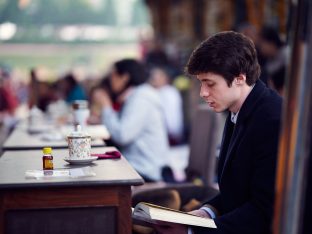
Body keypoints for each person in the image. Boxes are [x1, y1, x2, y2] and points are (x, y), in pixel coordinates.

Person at [154, 31, 282, 233]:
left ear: (240, 78)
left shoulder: (271, 120)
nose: (203, 93)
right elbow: (237, 192)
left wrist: (192, 231)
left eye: (210, 83)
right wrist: (206, 212)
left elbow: (265, 211)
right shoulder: (240, 109)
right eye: (201, 83)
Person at [92, 59, 170, 182]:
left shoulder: (141, 98)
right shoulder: (138, 95)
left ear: (124, 77)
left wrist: (106, 106)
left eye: (113, 75)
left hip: (144, 170)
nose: (110, 80)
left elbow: (122, 136)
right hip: (136, 165)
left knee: (94, 173)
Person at [149, 67, 184, 145]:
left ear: (165, 78)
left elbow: (170, 115)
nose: (154, 81)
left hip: (170, 133)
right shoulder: (158, 92)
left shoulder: (169, 92)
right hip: (168, 133)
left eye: (156, 78)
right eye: (153, 78)